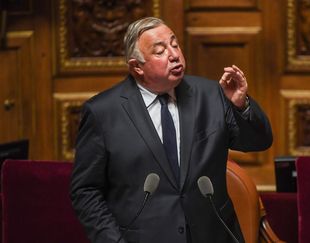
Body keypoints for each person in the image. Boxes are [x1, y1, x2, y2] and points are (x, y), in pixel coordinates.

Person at [70, 17, 273, 243]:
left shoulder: (210, 94)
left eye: (174, 45)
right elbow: (86, 191)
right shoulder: (103, 112)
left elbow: (258, 141)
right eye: (160, 51)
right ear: (137, 66)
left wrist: (240, 105)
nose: (174, 55)